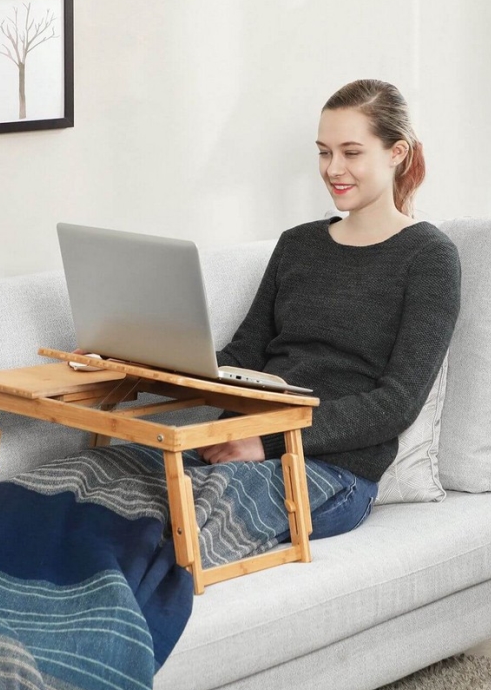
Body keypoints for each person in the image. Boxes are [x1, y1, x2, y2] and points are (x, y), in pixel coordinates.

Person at [196, 79, 462, 539]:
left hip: (334, 473)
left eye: (351, 152)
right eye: (324, 152)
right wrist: (144, 361)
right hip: (240, 446)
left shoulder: (428, 257)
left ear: (397, 153)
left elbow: (396, 404)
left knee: (172, 519)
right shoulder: (298, 244)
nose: (333, 168)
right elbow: (242, 360)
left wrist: (268, 441)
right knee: (99, 480)